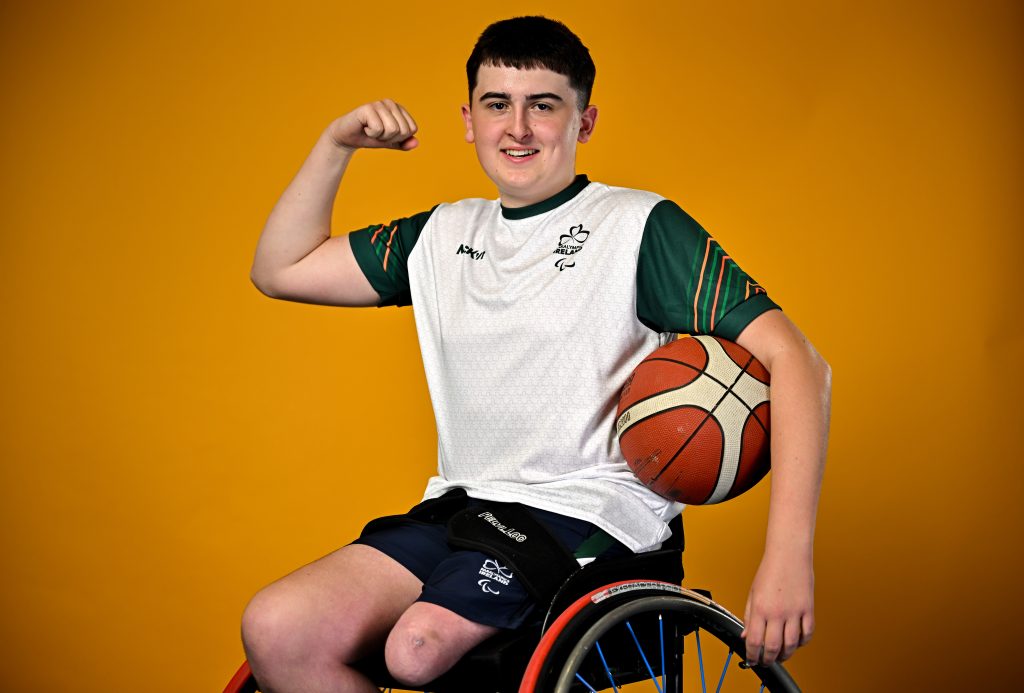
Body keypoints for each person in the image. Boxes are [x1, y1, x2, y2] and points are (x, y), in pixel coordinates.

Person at [241, 15, 831, 693]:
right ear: (469, 120)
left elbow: (800, 363)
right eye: (498, 104)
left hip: (590, 517)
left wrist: (787, 557)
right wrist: (334, 145)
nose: (517, 127)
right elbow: (280, 268)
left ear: (584, 122)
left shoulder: (639, 226)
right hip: (465, 509)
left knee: (416, 648)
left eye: (543, 105)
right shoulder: (440, 236)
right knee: (277, 626)